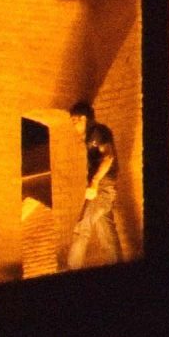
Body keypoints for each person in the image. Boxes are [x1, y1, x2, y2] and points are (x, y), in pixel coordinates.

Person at [63, 99, 126, 270]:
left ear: (83, 118)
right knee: (106, 232)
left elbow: (108, 157)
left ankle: (72, 270)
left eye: (74, 121)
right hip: (104, 188)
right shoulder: (92, 136)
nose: (74, 126)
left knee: (82, 228)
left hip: (102, 188)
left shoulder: (97, 131)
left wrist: (95, 182)